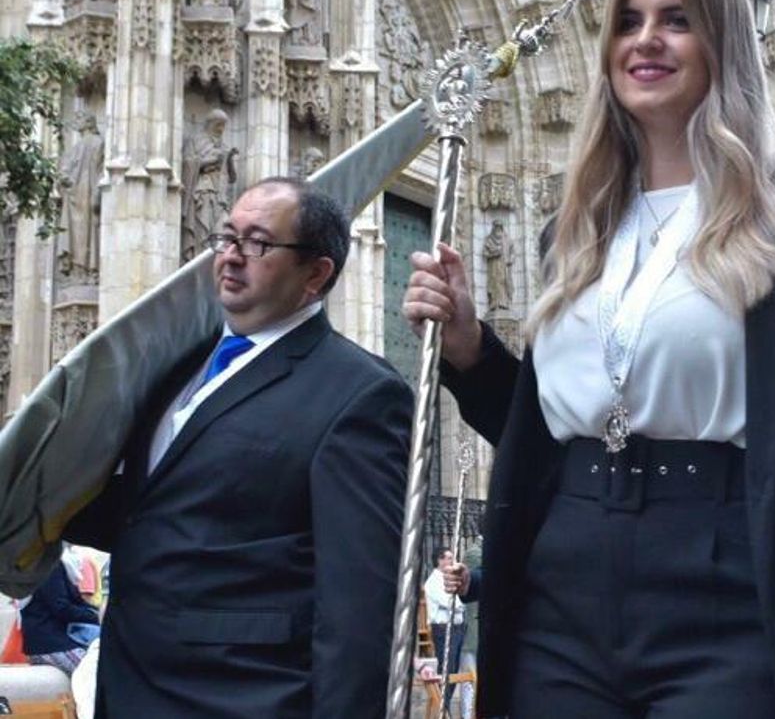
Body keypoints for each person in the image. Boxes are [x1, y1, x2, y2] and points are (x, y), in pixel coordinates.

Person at [401, 0, 775, 719]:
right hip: (561, 593)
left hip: (726, 586)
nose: (646, 40)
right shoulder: (574, 230)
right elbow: (556, 431)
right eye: (628, 22)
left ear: (724, 41)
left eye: (676, 20)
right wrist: (470, 349)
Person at [64, 177, 414, 718]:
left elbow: (360, 605)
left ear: (316, 274)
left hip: (242, 696)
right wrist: (34, 497)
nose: (230, 255)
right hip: (131, 682)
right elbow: (153, 513)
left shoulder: (359, 392)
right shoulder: (175, 365)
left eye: (258, 243)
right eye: (227, 237)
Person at [20, 559, 99, 674]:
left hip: (49, 642)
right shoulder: (50, 565)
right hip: (52, 644)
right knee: (97, 674)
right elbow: (62, 608)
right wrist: (98, 617)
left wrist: (100, 613)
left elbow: (76, 601)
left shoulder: (58, 564)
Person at [423, 546, 469, 713]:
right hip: (443, 628)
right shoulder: (433, 581)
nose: (451, 561)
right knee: (447, 668)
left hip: (458, 627)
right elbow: (450, 602)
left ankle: (445, 704)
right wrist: (462, 604)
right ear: (439, 560)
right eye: (448, 558)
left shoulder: (448, 578)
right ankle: (444, 707)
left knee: (454, 669)